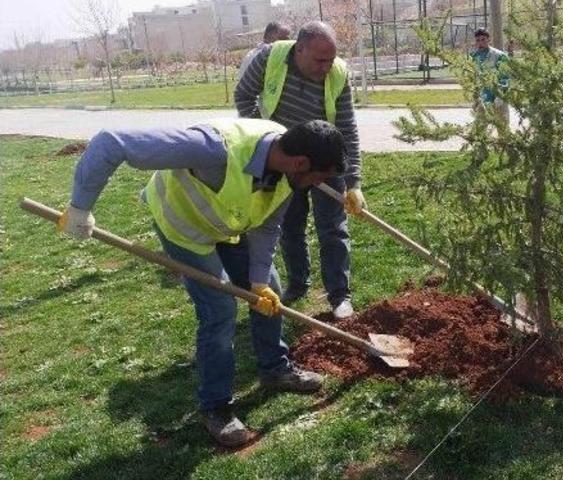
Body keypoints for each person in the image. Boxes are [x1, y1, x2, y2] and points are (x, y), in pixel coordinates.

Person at [58, 118, 347, 447]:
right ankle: (217, 408)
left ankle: (275, 369)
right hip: (185, 228)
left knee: (271, 289)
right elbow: (112, 141)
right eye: (317, 178)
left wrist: (256, 283)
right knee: (220, 309)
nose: (313, 185)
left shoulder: (288, 169)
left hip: (229, 224)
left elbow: (267, 227)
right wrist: (80, 208)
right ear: (300, 163)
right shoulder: (212, 148)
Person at [234, 21, 364, 320]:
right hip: (285, 159)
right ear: (299, 48)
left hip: (325, 156)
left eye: (331, 60)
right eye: (320, 60)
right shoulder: (269, 58)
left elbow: (347, 127)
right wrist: (271, 141)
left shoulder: (338, 73)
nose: (326, 67)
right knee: (288, 225)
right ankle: (298, 282)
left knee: (333, 227)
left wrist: (353, 181)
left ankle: (339, 295)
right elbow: (243, 96)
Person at [470, 27, 510, 127]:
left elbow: (505, 77)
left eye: (483, 39)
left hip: (498, 98)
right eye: (477, 40)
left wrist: (500, 95)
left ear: (489, 39)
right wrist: (475, 98)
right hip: (483, 98)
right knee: (480, 128)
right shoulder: (475, 57)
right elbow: (474, 78)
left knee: (503, 128)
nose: (480, 42)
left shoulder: (499, 56)